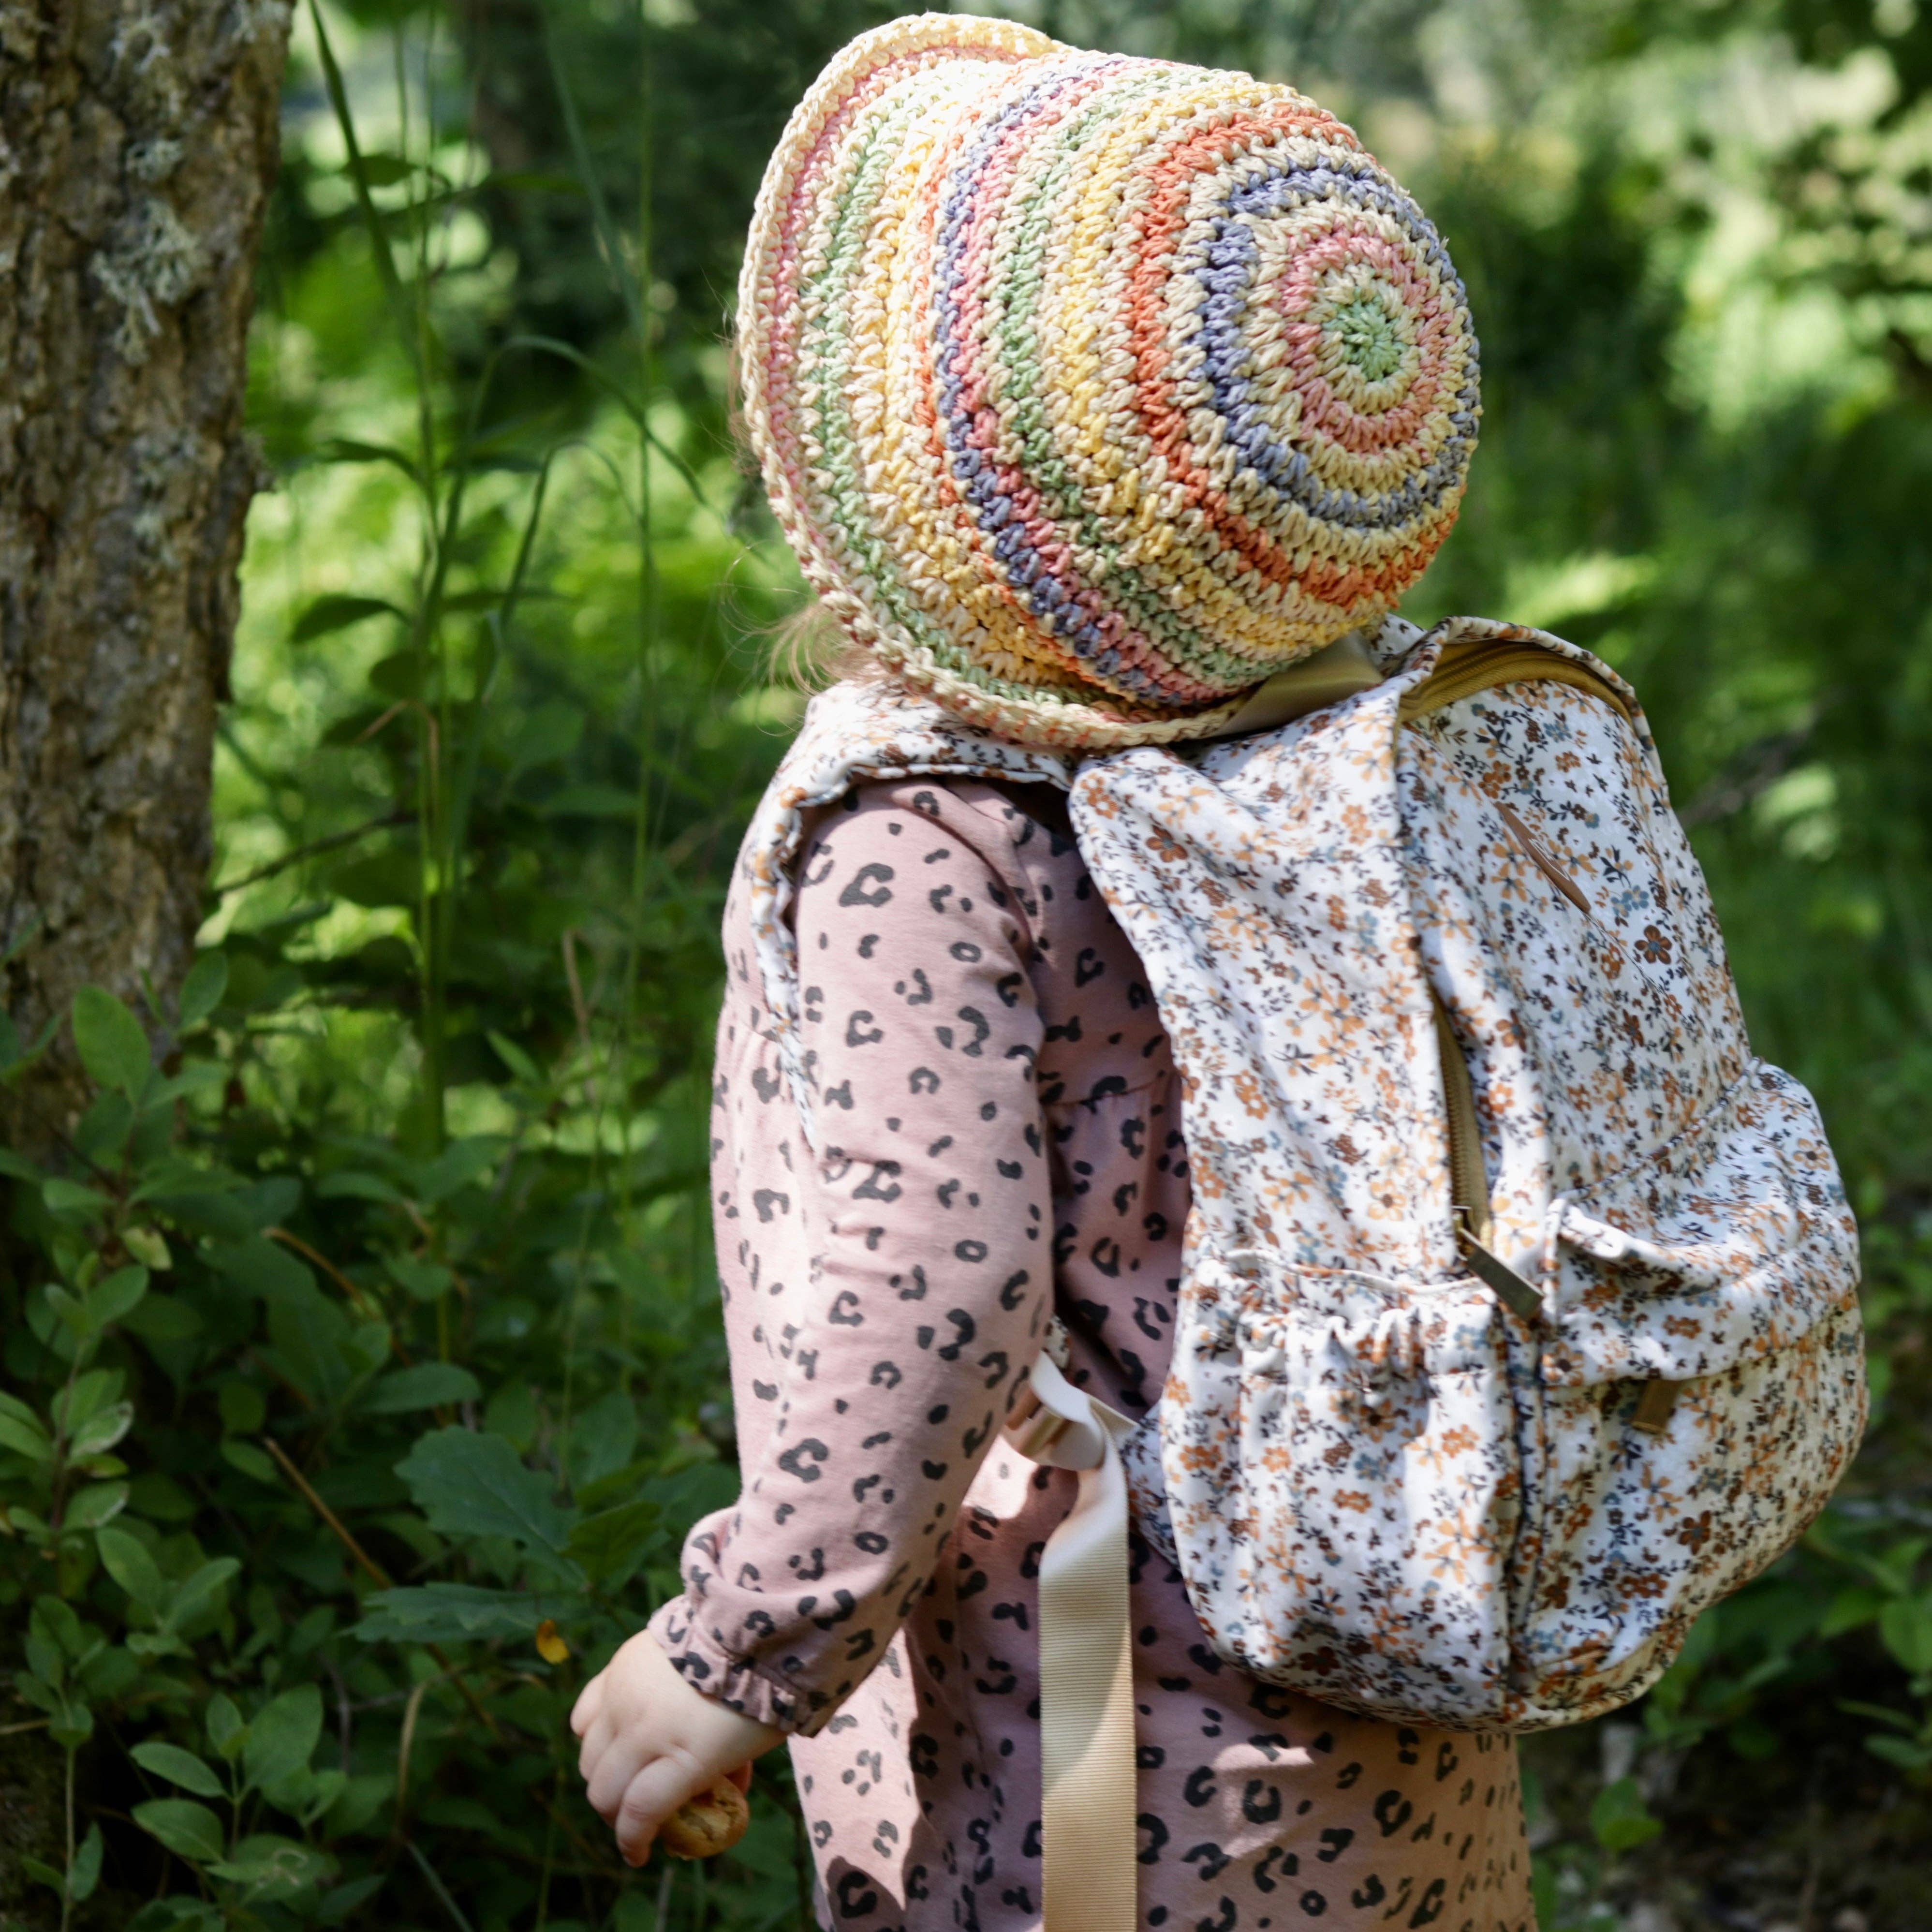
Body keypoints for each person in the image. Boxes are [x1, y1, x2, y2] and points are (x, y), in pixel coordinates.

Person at [572, 15, 1535, 1928]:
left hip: (1085, 1767)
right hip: (1389, 1704)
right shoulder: (1359, 754)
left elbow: (926, 1285)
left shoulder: (923, 837)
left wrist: (737, 1648)